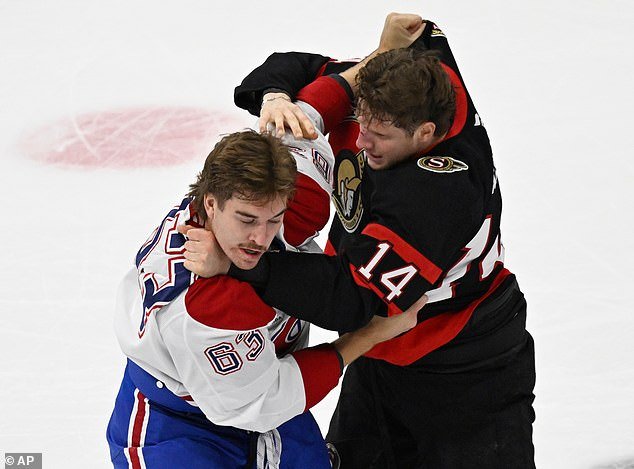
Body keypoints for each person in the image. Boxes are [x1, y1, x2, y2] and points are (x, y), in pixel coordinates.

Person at [183, 14, 536, 469]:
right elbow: (296, 66)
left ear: (426, 134)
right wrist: (277, 98)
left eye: (380, 135)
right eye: (360, 121)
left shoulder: (438, 193)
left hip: (465, 365)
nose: (361, 141)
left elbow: (349, 299)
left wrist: (242, 264)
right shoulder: (403, 82)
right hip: (382, 352)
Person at [106, 15, 426, 469]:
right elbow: (268, 398)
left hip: (261, 389)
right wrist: (369, 336)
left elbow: (312, 110)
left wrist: (383, 54)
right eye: (247, 220)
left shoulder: (290, 194)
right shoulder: (208, 306)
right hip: (177, 423)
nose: (261, 237)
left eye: (273, 218)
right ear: (211, 203)